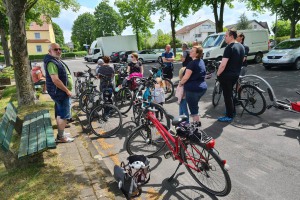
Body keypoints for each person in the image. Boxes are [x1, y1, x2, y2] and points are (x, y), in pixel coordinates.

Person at [44, 43, 74, 143]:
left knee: (60, 113)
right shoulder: (52, 62)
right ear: (50, 51)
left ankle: (61, 133)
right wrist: (67, 90)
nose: (58, 51)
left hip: (59, 93)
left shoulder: (55, 60)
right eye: (55, 49)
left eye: (59, 49)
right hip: (61, 93)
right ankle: (61, 137)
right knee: (64, 116)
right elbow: (55, 80)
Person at [216, 29, 245, 122]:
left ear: (231, 36)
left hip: (227, 75)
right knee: (230, 94)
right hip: (236, 74)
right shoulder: (241, 46)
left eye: (226, 36)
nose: (225, 37)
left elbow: (223, 64)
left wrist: (218, 73)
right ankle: (232, 111)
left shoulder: (229, 47)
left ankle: (229, 115)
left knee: (227, 96)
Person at [179, 46, 207, 127]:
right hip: (202, 88)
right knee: (195, 106)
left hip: (193, 90)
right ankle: (197, 123)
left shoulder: (191, 64)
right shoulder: (201, 61)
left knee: (193, 111)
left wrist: (180, 83)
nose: (190, 52)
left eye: (192, 51)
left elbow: (186, 77)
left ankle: (196, 128)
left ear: (197, 54)